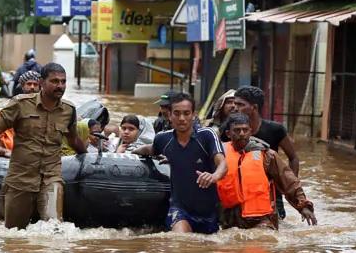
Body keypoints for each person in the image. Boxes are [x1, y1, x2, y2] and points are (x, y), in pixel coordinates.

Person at [0, 63, 87, 229]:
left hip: (51, 177)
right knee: (15, 232)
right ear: (42, 82)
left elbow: (73, 140)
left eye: (63, 82)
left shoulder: (68, 110)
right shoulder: (20, 104)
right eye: (55, 81)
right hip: (20, 178)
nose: (60, 86)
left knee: (54, 227)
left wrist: (88, 157)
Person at [133, 93, 227, 234]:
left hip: (209, 212)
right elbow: (150, 149)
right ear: (169, 115)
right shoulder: (163, 138)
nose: (182, 118)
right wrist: (130, 152)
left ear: (193, 115)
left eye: (186, 113)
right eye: (177, 113)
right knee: (180, 242)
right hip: (180, 210)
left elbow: (223, 164)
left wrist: (214, 176)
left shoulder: (207, 135)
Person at [217, 113, 316, 229]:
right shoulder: (218, 154)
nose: (242, 134)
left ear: (251, 131)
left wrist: (303, 206)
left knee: (263, 240)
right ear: (228, 133)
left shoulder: (267, 155)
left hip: (261, 219)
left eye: (245, 130)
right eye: (237, 130)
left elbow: (288, 181)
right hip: (228, 219)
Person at [223, 85, 300, 219]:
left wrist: (288, 186)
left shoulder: (275, 130)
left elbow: (293, 158)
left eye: (240, 104)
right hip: (239, 193)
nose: (235, 108)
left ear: (254, 107)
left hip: (271, 193)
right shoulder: (228, 131)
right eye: (234, 104)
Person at [0, 70, 42, 157]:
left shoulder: (45, 108)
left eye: (35, 84)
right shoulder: (13, 106)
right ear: (22, 86)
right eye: (29, 84)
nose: (32, 87)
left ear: (40, 87)